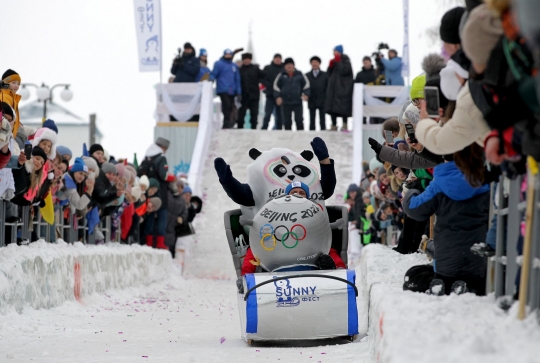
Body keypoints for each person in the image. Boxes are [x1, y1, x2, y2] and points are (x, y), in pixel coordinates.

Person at [402, 155, 489, 295]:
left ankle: (446, 286)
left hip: (446, 267)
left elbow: (414, 209)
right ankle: (469, 287)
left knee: (412, 275)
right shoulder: (485, 181)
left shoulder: (440, 184)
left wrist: (412, 191)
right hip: (478, 265)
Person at [240, 181, 346, 275]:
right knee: (255, 250)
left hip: (309, 251)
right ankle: (245, 277)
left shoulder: (313, 212)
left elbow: (322, 233)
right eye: (293, 192)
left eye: (301, 193)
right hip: (279, 250)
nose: (297, 195)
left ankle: (338, 271)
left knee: (327, 251)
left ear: (307, 197)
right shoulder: (276, 213)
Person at [137, 137, 175, 249]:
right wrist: (172, 177)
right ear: (163, 147)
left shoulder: (147, 156)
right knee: (162, 215)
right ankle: (160, 243)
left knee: (149, 214)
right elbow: (164, 175)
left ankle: (148, 242)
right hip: (160, 191)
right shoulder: (161, 157)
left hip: (149, 189)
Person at [273, 58, 310, 131]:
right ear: (284, 66)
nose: (289, 66)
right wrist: (278, 97)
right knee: (287, 121)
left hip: (297, 102)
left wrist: (306, 94)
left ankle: (301, 136)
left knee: (299, 120)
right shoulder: (281, 75)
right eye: (287, 65)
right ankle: (287, 138)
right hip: (285, 102)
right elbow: (276, 86)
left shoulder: (300, 74)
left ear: (293, 65)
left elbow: (306, 85)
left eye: (290, 64)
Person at [210, 49, 242, 129]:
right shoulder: (219, 64)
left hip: (232, 90)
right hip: (222, 89)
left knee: (231, 107)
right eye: (226, 54)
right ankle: (226, 122)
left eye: (229, 54)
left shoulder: (234, 66)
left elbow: (237, 79)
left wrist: (238, 92)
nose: (228, 56)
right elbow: (214, 73)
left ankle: (229, 123)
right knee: (226, 105)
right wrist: (211, 79)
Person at [325, 45, 354, 131]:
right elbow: (328, 75)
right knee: (332, 108)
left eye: (336, 52)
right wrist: (330, 67)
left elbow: (344, 71)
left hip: (343, 89)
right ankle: (333, 125)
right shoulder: (334, 62)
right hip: (333, 89)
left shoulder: (346, 60)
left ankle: (345, 124)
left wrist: (339, 62)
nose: (334, 53)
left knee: (343, 107)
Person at [238, 53, 265, 129]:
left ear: (250, 59)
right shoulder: (239, 70)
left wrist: (261, 83)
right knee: (241, 115)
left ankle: (254, 128)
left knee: (254, 114)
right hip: (243, 96)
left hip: (254, 96)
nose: (246, 60)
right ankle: (240, 129)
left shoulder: (255, 68)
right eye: (245, 59)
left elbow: (265, 76)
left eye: (248, 59)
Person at [261, 54, 284, 130]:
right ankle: (264, 127)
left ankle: (279, 128)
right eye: (276, 58)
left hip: (280, 96)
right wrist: (268, 85)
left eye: (279, 59)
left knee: (280, 114)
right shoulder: (267, 68)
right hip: (270, 94)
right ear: (273, 59)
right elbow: (261, 78)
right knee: (268, 113)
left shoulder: (284, 69)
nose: (277, 60)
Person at [305, 56, 328, 131]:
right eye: (313, 62)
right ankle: (312, 136)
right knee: (312, 120)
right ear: (311, 64)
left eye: (316, 62)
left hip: (322, 99)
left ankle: (323, 134)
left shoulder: (325, 75)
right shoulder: (307, 75)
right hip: (311, 99)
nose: (315, 64)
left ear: (319, 63)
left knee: (322, 119)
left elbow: (327, 87)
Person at [1, 69, 22, 137]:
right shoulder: (5, 96)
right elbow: (5, 114)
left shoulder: (12, 97)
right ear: (5, 83)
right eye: (13, 83)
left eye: (18, 84)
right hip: (4, 133)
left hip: (9, 133)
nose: (17, 86)